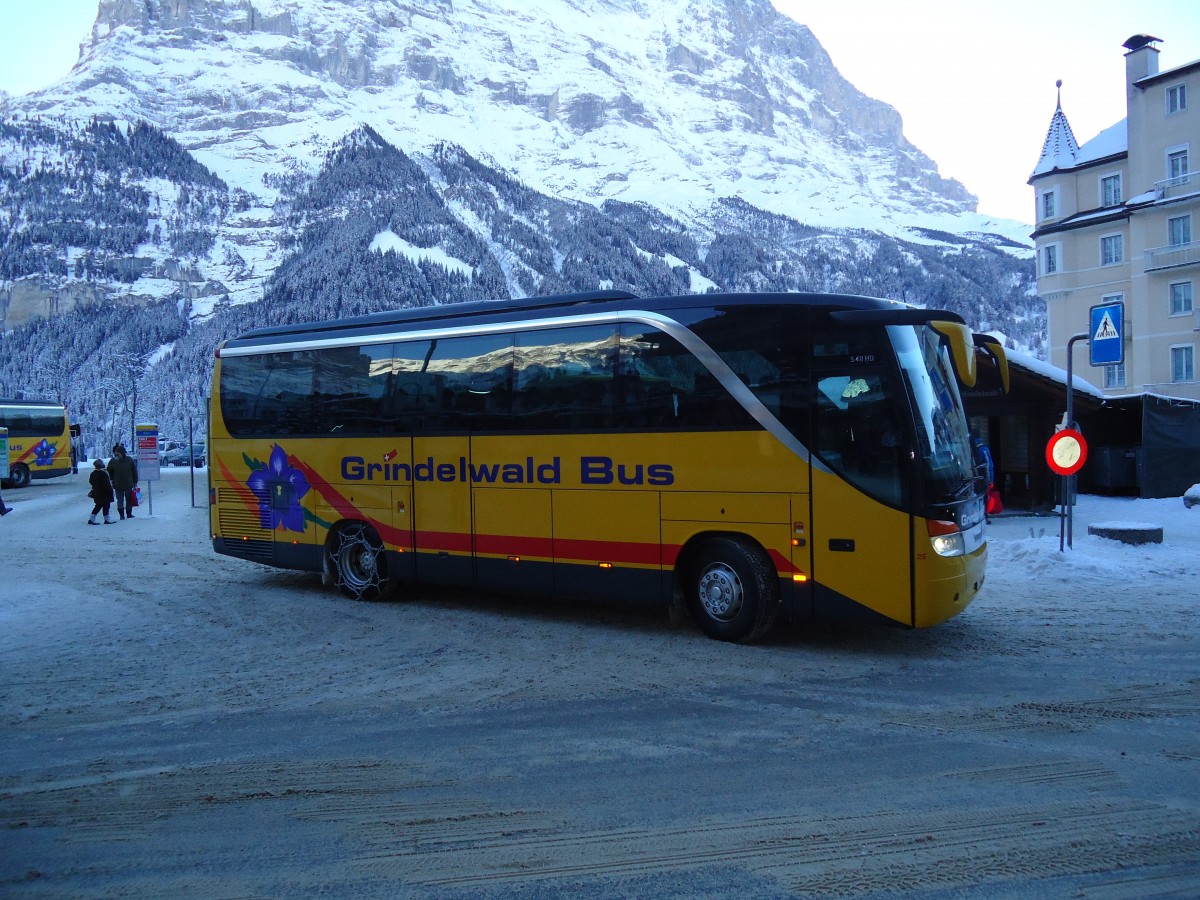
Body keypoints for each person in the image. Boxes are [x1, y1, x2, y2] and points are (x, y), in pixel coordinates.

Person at [108, 442, 139, 520]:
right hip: (118, 484)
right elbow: (109, 471)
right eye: (116, 454)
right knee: (120, 500)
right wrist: (112, 479)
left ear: (123, 453)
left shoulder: (129, 460)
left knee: (129, 499)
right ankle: (121, 515)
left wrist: (135, 481)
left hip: (128, 483)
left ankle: (129, 514)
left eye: (118, 454)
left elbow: (134, 471)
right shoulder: (113, 461)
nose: (117, 455)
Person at [88, 458, 116, 525]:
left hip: (97, 492)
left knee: (98, 505)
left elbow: (90, 481)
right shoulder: (103, 473)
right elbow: (107, 484)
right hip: (105, 493)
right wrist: (111, 491)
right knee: (106, 505)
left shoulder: (93, 473)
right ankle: (107, 519)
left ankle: (91, 518)